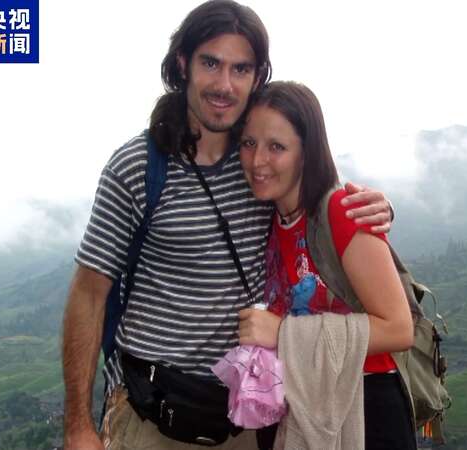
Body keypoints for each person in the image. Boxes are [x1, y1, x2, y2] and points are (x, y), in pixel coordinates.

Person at [61, 2, 394, 449]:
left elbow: (317, 202)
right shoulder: (137, 167)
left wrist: (374, 206)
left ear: (257, 77)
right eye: (211, 63)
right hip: (152, 417)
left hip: (247, 415)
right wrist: (78, 426)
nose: (224, 85)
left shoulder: (261, 160)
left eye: (241, 69)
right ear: (183, 64)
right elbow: (88, 294)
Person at [236, 81, 417, 449]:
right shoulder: (270, 218)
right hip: (304, 407)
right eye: (249, 143)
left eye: (277, 147)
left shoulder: (342, 211)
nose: (257, 161)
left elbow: (399, 329)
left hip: (365, 409)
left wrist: (282, 332)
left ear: (307, 153)